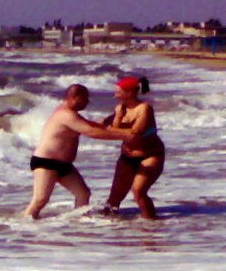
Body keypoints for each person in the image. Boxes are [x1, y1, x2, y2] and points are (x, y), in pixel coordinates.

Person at [24, 84, 133, 219]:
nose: (88, 102)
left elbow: (95, 125)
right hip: (47, 162)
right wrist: (126, 135)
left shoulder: (73, 115)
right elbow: (92, 132)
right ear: (74, 97)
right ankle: (24, 224)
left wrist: (116, 116)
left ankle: (79, 223)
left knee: (83, 193)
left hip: (63, 165)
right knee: (40, 199)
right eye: (85, 98)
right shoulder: (65, 115)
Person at [103, 77, 165, 219]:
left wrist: (109, 130)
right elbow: (116, 128)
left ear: (130, 93)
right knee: (114, 198)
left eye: (118, 92)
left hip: (150, 155)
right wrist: (118, 117)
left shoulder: (144, 108)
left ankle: (151, 224)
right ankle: (108, 225)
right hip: (127, 156)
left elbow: (135, 132)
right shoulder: (119, 108)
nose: (115, 95)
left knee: (138, 191)